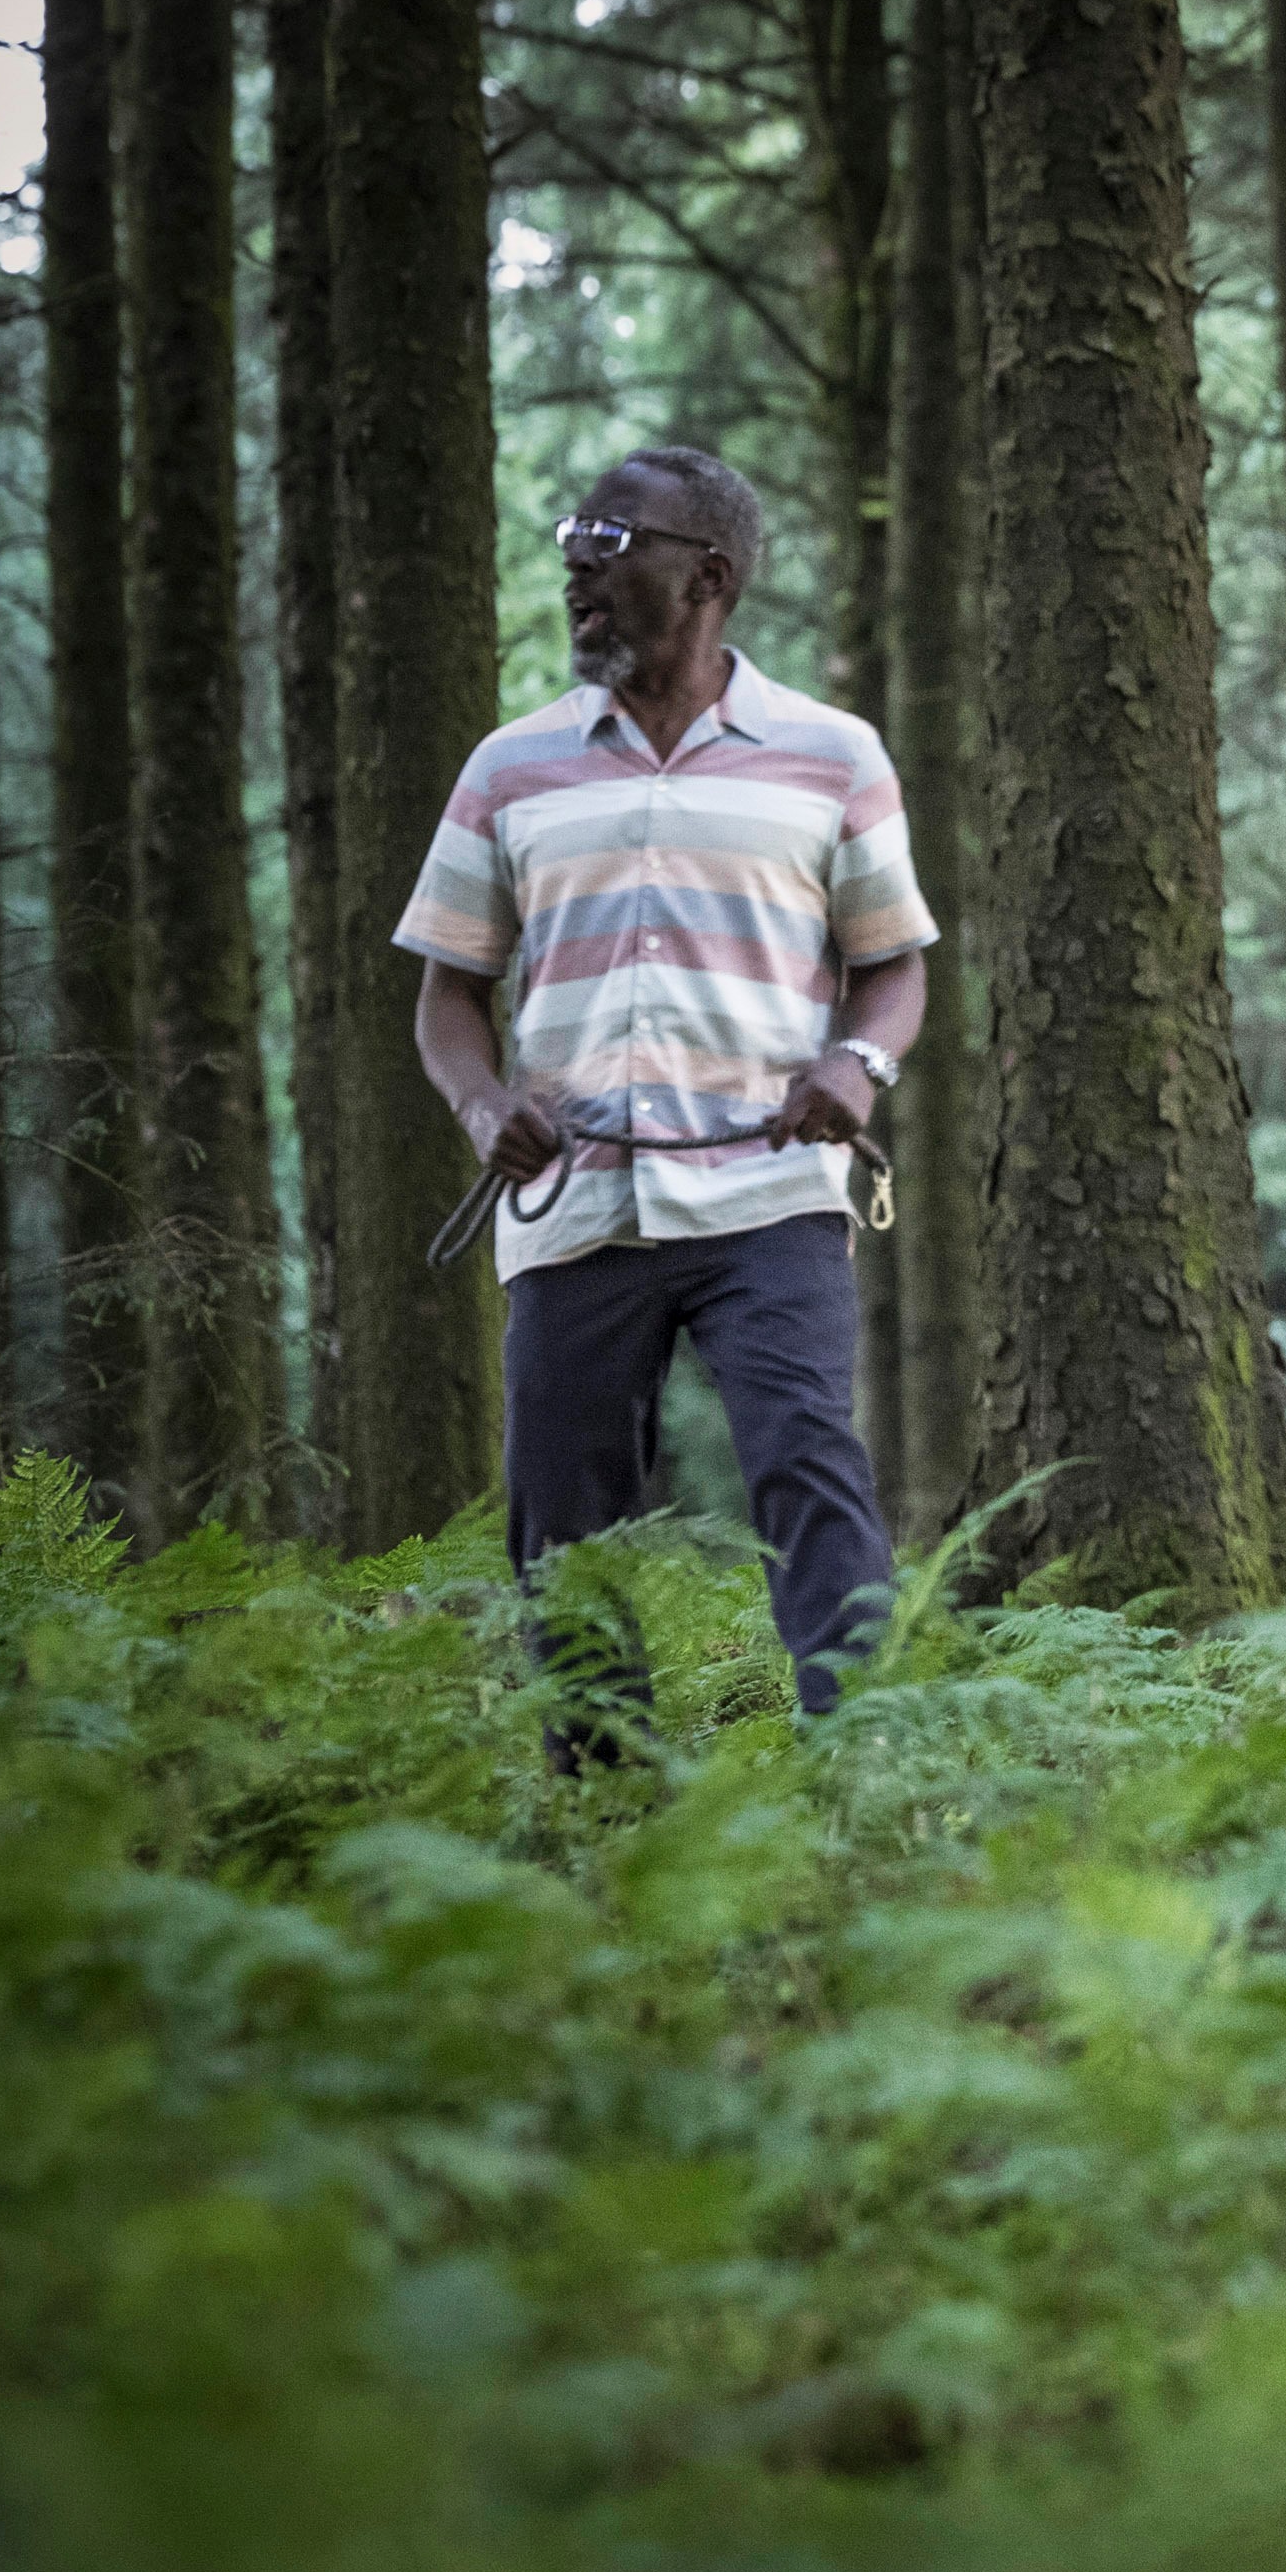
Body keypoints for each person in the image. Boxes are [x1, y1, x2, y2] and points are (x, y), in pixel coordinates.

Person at [401, 446, 931, 1753]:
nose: (576, 558)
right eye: (570, 531)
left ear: (709, 574)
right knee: (559, 1522)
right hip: (573, 1205)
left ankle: (855, 1771)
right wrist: (481, 1111)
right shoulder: (508, 767)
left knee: (811, 1474)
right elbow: (447, 999)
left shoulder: (831, 754)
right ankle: (603, 1806)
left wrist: (855, 1067)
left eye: (609, 534)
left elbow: (893, 969)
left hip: (769, 1197)